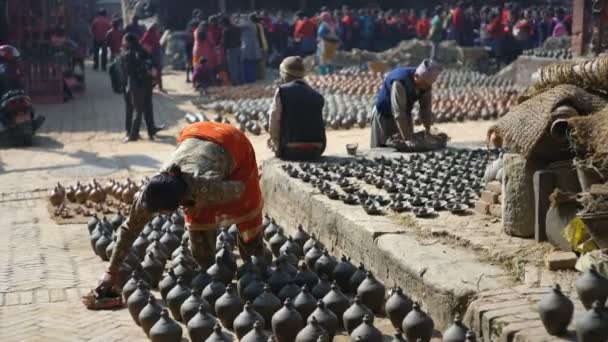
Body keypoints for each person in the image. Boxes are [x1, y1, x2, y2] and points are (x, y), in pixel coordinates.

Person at [88, 121, 265, 303]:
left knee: (247, 211)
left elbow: (240, 188)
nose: (162, 217)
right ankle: (209, 273)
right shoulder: (150, 194)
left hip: (232, 143)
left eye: (165, 213)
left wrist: (221, 202)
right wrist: (111, 272)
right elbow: (129, 229)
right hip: (193, 136)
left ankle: (255, 267)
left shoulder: (207, 187)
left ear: (180, 201)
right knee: (199, 224)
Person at [370, 59, 442, 148]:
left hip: (404, 115)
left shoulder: (426, 85)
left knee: (408, 148)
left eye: (427, 85)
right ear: (416, 76)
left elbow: (425, 109)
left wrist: (427, 131)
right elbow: (398, 113)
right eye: (423, 84)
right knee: (383, 148)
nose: (424, 87)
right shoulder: (400, 81)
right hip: (384, 115)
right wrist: (407, 139)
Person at [267, 56, 325, 160]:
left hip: (291, 150)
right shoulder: (317, 95)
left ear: (285, 75)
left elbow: (274, 121)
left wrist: (275, 143)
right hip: (316, 150)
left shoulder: (282, 92)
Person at [120, 33, 162, 142]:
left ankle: (133, 135)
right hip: (147, 83)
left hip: (136, 85)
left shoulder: (128, 54)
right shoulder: (143, 51)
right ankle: (151, 131)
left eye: (124, 41)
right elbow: (152, 66)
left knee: (137, 110)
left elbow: (127, 73)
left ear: (128, 42)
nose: (123, 43)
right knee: (148, 107)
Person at [141, 23, 165, 93]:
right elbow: (142, 44)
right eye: (155, 27)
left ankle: (157, 87)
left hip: (156, 55)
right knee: (155, 71)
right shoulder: (148, 35)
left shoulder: (153, 34)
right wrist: (149, 49)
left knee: (157, 71)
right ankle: (154, 86)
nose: (156, 29)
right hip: (153, 56)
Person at [240, 14, 263, 84]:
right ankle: (252, 78)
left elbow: (237, 26)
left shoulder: (248, 25)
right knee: (252, 64)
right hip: (252, 48)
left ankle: (249, 79)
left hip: (249, 48)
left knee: (248, 63)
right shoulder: (253, 25)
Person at [221, 16, 243, 85]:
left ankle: (235, 82)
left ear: (224, 23)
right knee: (239, 65)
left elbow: (224, 43)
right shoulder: (237, 28)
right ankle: (241, 81)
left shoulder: (226, 30)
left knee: (233, 67)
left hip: (231, 50)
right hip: (239, 48)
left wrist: (223, 52)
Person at [185, 9, 202, 83]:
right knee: (190, 61)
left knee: (194, 60)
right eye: (198, 15)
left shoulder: (197, 23)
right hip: (190, 44)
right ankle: (189, 77)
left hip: (194, 44)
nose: (200, 17)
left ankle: (194, 76)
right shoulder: (194, 23)